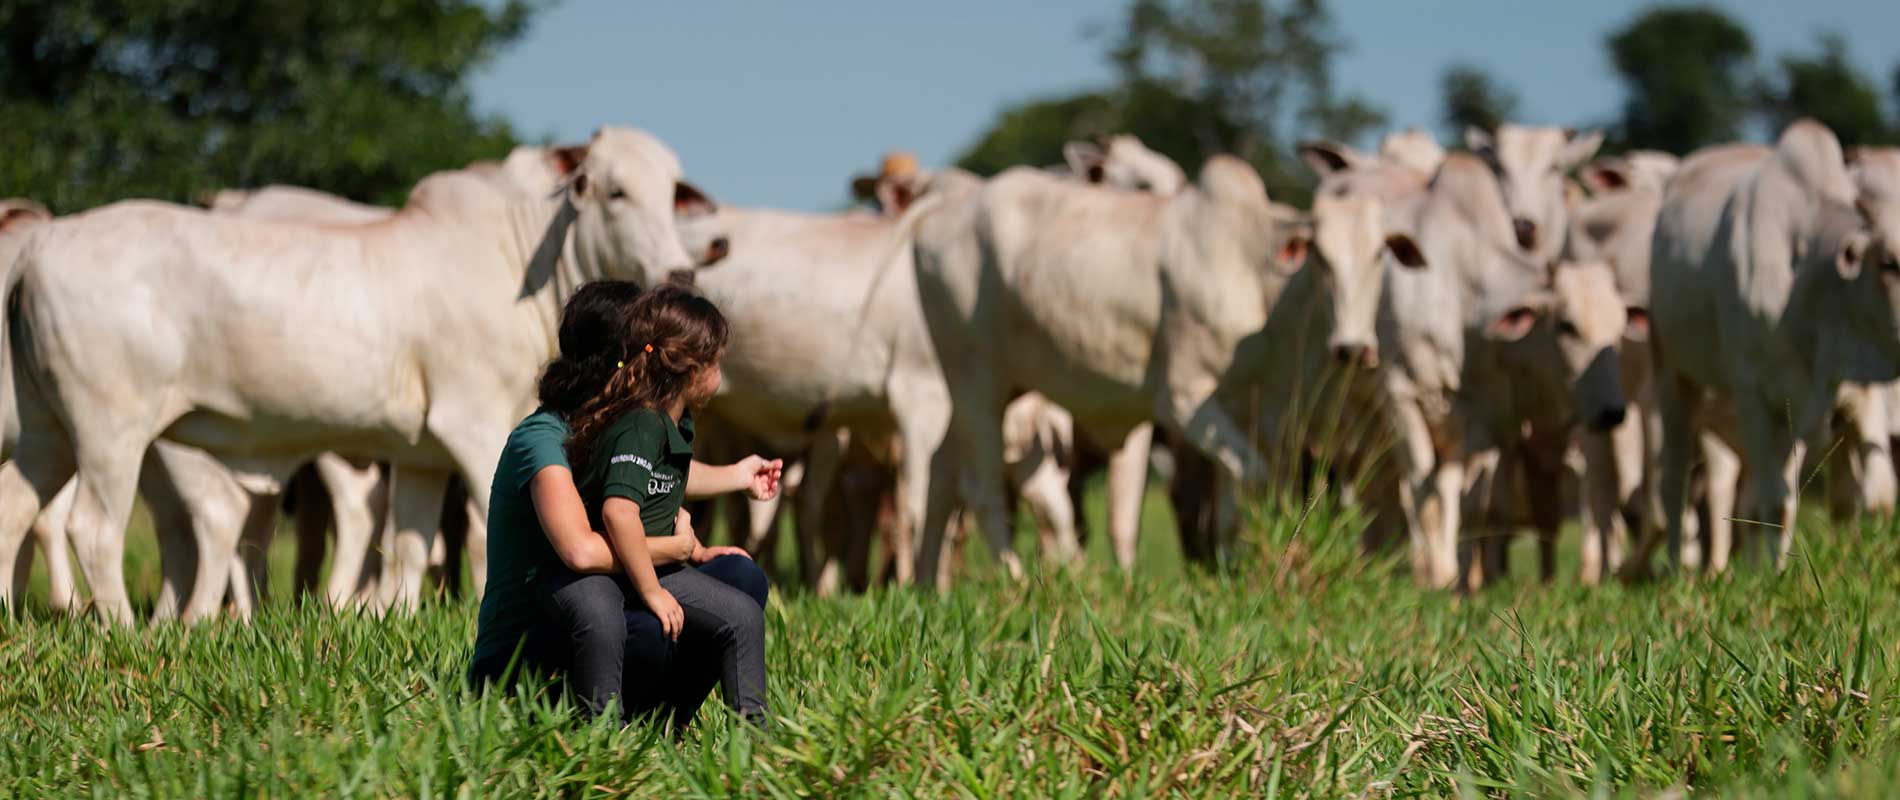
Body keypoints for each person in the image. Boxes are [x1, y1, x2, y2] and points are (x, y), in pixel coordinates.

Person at [467, 280, 780, 728]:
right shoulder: (543, 439)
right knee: (648, 626)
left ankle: (661, 727)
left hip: (605, 602)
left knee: (740, 578)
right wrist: (678, 549)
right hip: (528, 659)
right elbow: (582, 551)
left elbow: (648, 477)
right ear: (622, 358)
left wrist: (737, 479)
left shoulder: (624, 422)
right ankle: (601, 739)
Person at [566, 284, 777, 727]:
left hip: (653, 567)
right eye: (716, 362)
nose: (721, 374)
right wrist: (651, 592)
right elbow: (618, 512)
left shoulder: (673, 421)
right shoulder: (641, 424)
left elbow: (667, 486)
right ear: (691, 369)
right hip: (617, 574)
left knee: (741, 609)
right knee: (733, 620)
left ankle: (709, 727)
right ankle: (607, 738)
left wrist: (737, 481)